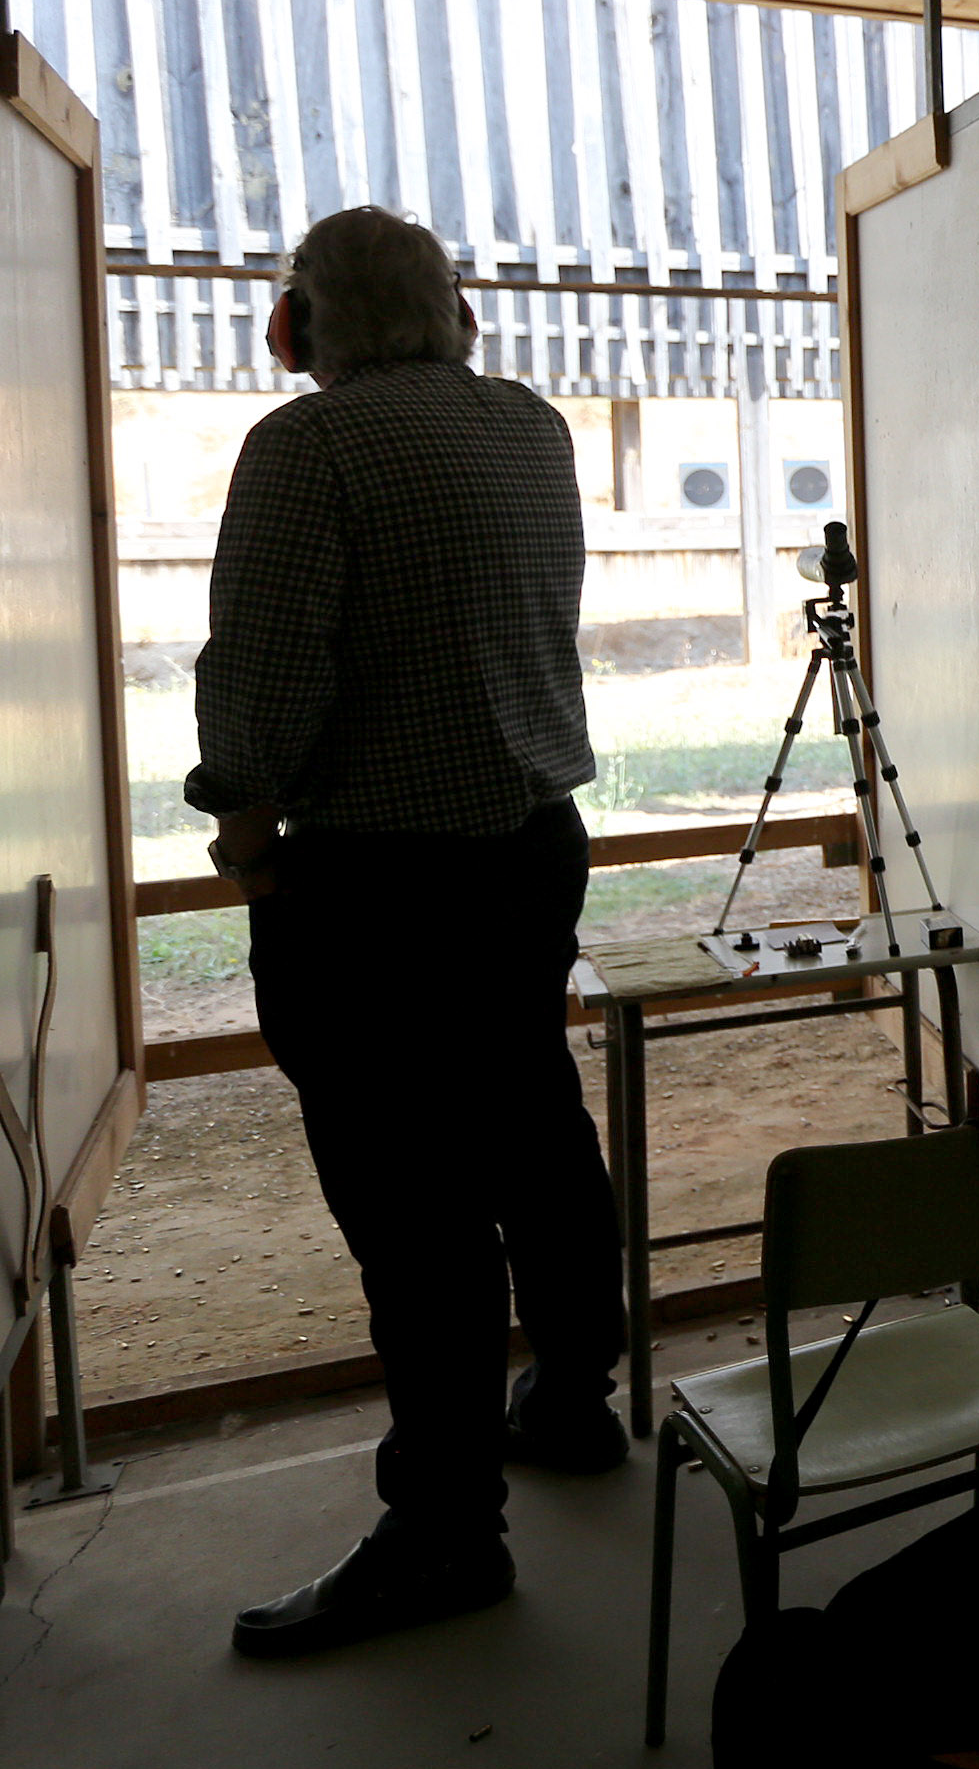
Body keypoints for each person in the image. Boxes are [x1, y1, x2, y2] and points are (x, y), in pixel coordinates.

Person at [191, 207, 623, 1658]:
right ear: (461, 313)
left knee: (412, 1206)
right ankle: (572, 1396)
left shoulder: (306, 450)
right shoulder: (531, 427)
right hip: (527, 846)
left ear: (298, 326)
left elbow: (257, 684)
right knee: (532, 1119)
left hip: (375, 881)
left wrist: (245, 837)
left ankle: (444, 1530)